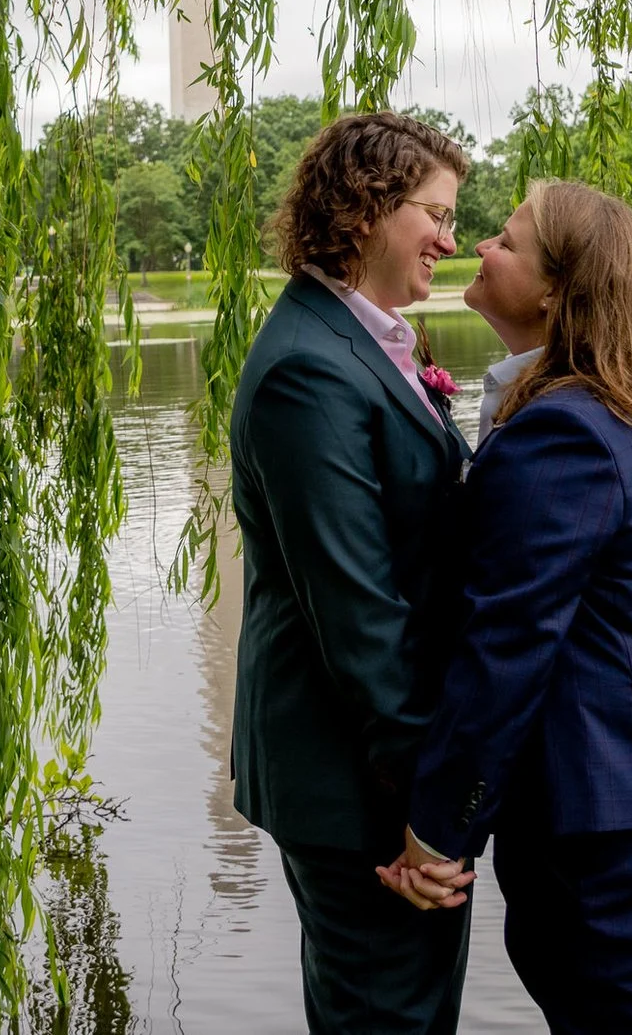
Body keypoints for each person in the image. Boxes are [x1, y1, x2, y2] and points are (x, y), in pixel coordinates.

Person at [378, 182, 632, 1035]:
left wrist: (438, 832)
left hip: (617, 824)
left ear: (556, 289)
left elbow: (506, 646)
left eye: (506, 241)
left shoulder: (567, 430)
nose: (479, 248)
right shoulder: (612, 410)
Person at [230, 111, 473, 1034]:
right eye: (436, 214)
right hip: (357, 790)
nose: (450, 240)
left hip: (368, 776)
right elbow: (358, 611)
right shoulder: (309, 373)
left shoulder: (355, 342)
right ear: (369, 209)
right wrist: (428, 811)